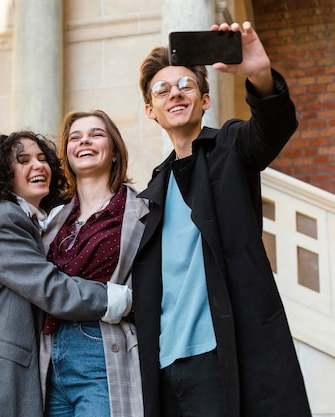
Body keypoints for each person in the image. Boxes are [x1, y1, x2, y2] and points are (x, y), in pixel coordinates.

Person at [133, 21, 311, 417]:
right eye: (162, 90)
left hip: (219, 354)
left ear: (205, 100)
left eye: (185, 85)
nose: (174, 93)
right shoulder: (150, 195)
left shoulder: (229, 147)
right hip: (162, 364)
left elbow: (272, 128)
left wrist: (259, 74)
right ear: (151, 111)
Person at [0, 111, 148, 417]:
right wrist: (120, 298)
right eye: (22, 161)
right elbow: (49, 286)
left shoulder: (44, 221)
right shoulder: (3, 218)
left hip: (75, 361)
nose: (37, 166)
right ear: (2, 174)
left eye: (42, 158)